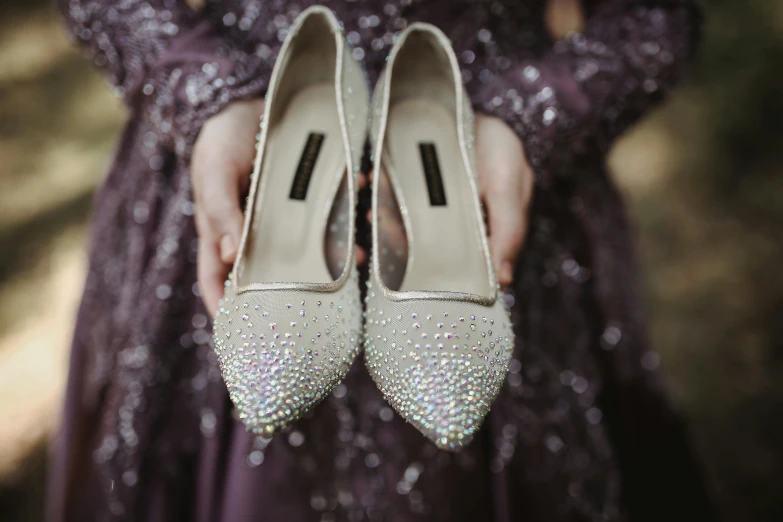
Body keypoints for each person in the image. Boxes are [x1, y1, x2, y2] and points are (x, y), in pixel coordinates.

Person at [49, 1, 716, 521]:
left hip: (487, 156)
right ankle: (305, 99)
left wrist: (531, 117)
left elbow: (656, 15)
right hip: (247, 142)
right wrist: (201, 90)